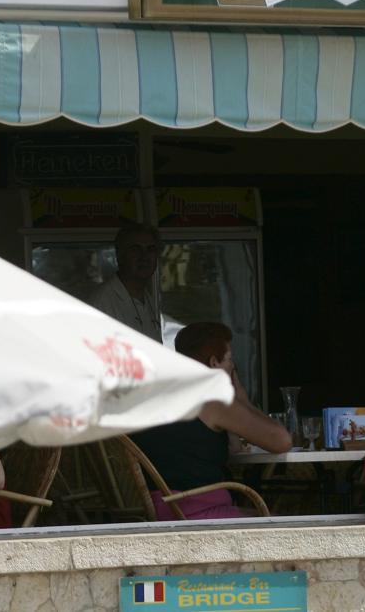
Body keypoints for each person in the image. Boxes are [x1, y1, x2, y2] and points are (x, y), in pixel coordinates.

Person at [130, 322, 291, 520]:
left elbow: (233, 448)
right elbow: (282, 442)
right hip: (196, 512)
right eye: (229, 359)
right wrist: (241, 399)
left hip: (158, 508)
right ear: (215, 363)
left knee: (267, 516)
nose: (232, 366)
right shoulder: (212, 399)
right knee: (282, 522)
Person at [88, 223, 163, 342]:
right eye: (136, 249)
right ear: (120, 255)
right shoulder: (101, 303)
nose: (144, 256)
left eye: (151, 249)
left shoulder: (147, 299)